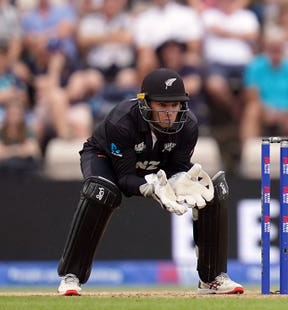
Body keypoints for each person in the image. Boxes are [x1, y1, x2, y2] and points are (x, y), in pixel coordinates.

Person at [56, 68, 243, 296]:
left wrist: (178, 180)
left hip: (156, 162)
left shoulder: (188, 126)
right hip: (104, 157)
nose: (169, 113)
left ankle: (212, 278)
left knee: (210, 192)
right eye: (162, 105)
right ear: (146, 103)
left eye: (174, 105)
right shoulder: (121, 122)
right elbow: (125, 179)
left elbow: (177, 166)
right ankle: (71, 276)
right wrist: (152, 187)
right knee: (101, 192)